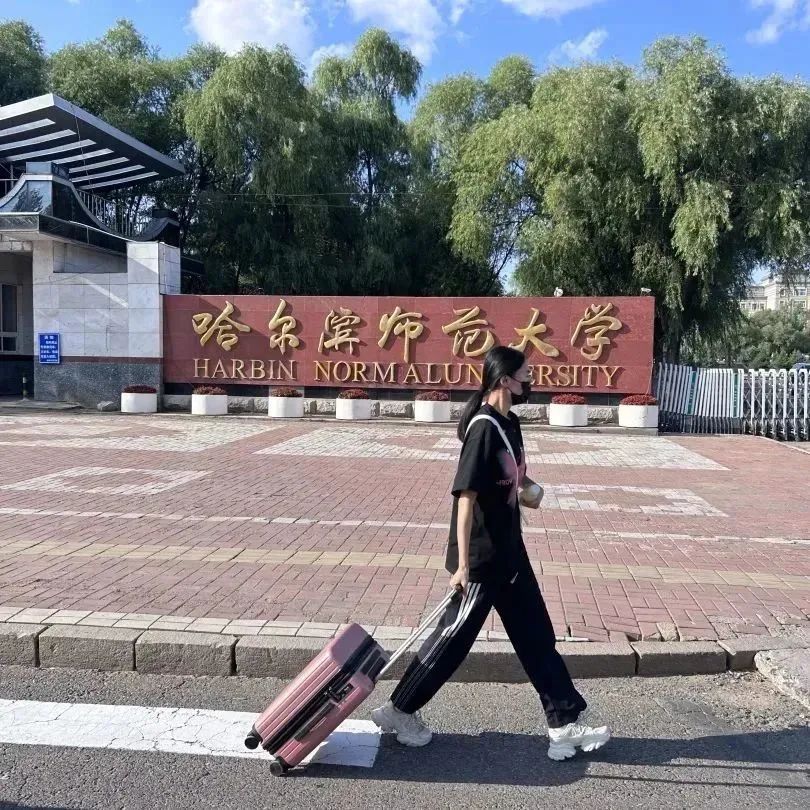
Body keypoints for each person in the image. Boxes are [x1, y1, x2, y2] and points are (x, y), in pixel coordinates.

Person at [372, 346, 611, 761]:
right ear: (505, 380)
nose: (531, 382)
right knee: (451, 641)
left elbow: (511, 477)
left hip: (510, 554)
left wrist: (529, 489)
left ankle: (564, 725)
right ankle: (399, 710)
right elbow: (465, 499)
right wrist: (463, 566)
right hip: (481, 561)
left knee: (537, 637)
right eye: (526, 375)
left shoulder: (510, 423)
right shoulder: (483, 429)